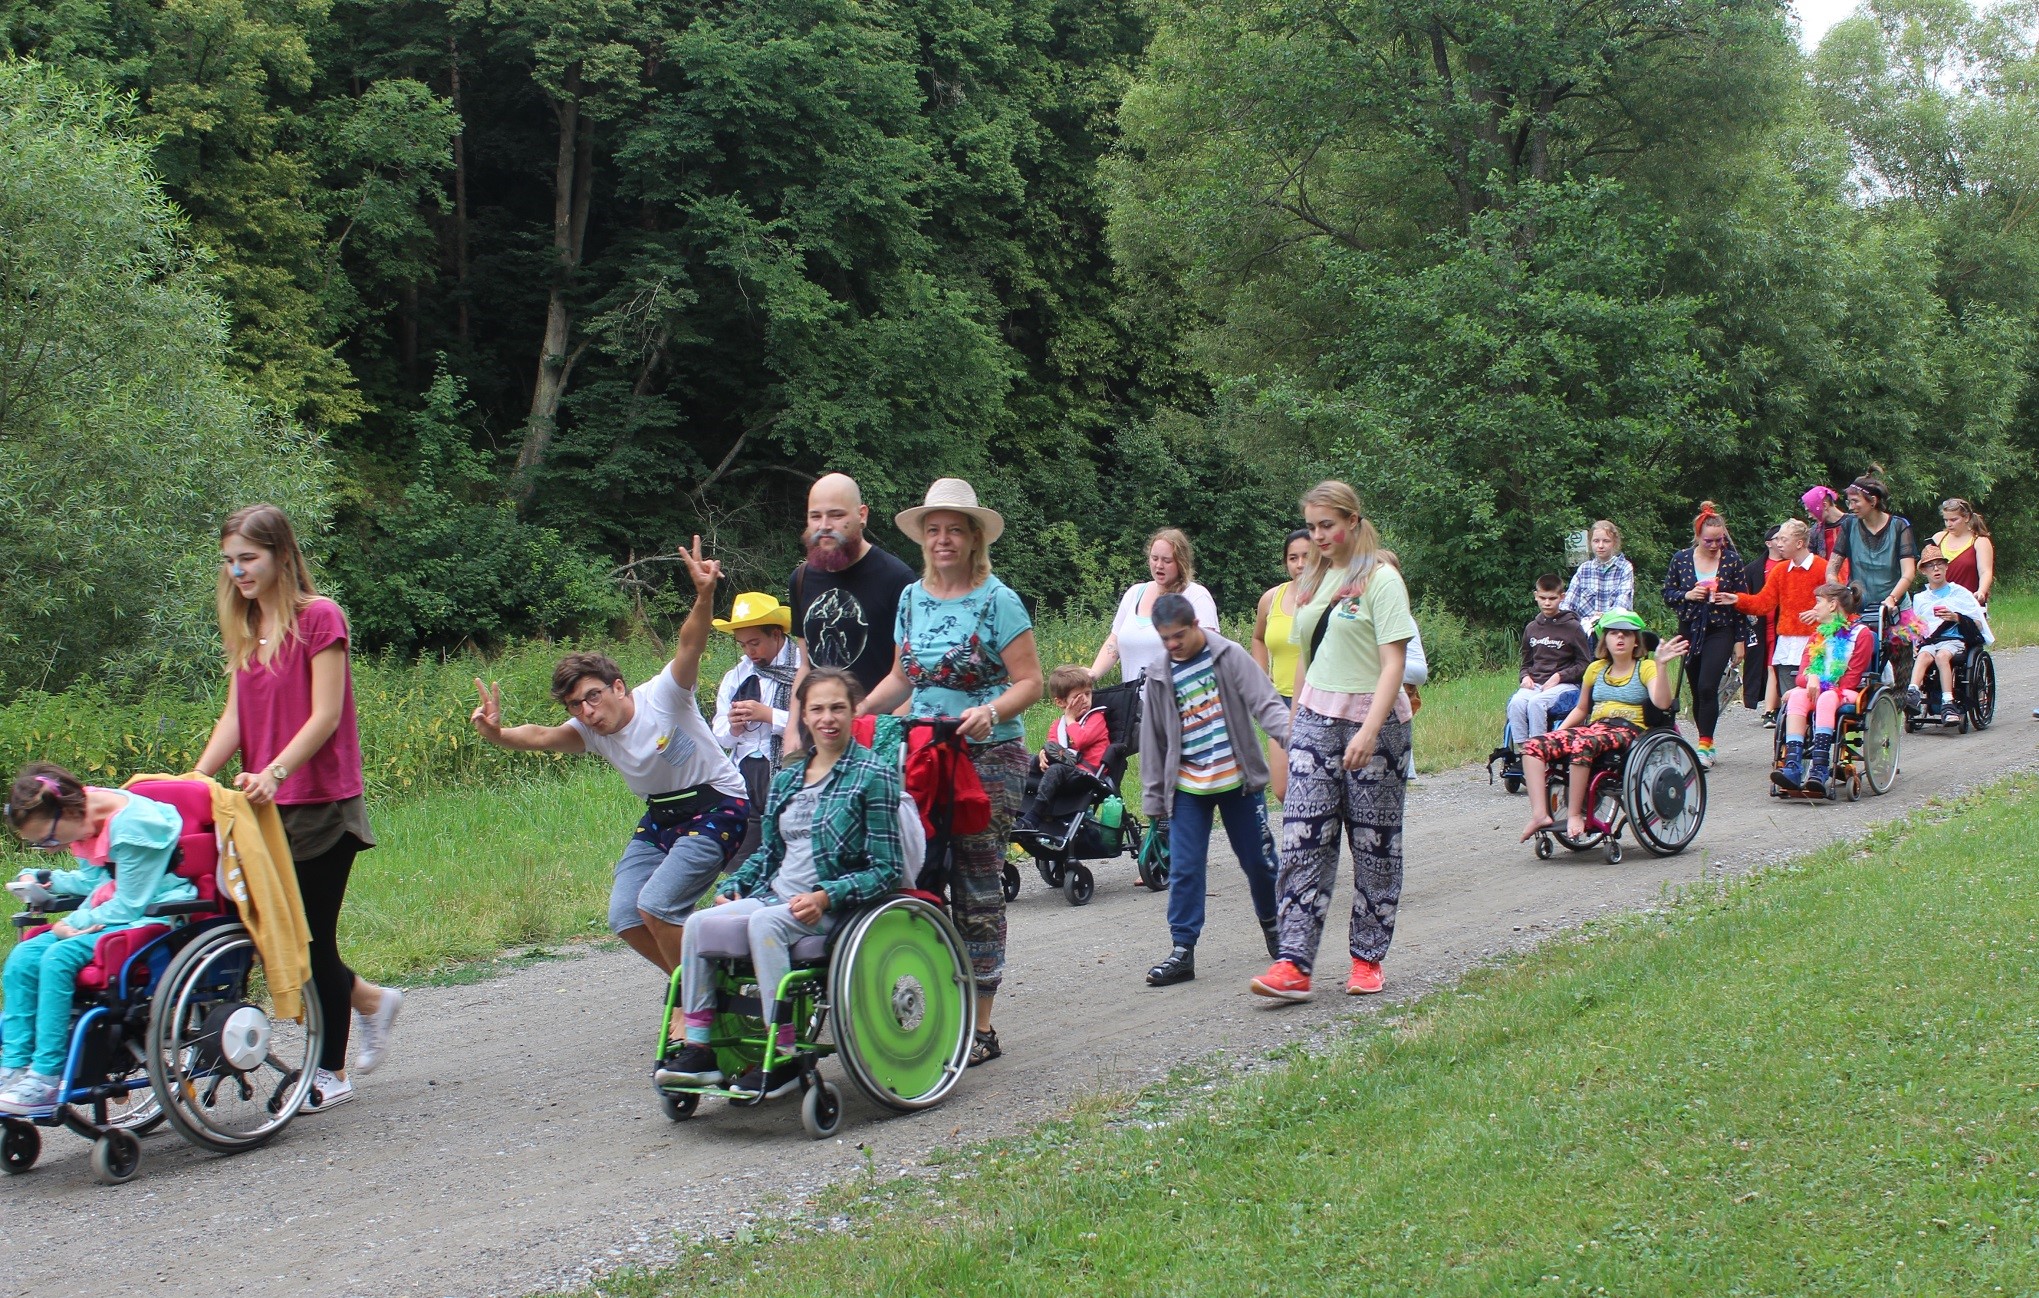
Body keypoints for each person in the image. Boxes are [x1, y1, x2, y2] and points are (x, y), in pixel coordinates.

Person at [193, 504, 400, 1110]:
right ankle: (371, 1001)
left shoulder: (319, 619)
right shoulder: (247, 624)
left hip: (322, 804)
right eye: (230, 561)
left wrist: (277, 770)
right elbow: (236, 716)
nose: (238, 572)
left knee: (310, 942)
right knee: (257, 930)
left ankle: (330, 1072)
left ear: (282, 556)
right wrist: (192, 780)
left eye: (248, 559)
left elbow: (325, 714)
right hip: (263, 806)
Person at [470, 537, 748, 980]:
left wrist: (704, 595)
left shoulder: (665, 696)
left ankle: (692, 1007)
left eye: (592, 697)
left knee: (656, 904)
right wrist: (497, 732)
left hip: (720, 805)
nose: (587, 712)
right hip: (663, 816)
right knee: (626, 915)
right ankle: (700, 988)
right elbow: (540, 737)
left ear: (618, 687)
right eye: (575, 706)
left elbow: (689, 645)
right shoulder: (589, 732)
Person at [860, 479, 1043, 1066]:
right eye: (934, 529)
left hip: (988, 756)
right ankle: (926, 1003)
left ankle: (981, 1026)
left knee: (975, 880)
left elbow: (1031, 682)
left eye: (954, 530)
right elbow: (901, 679)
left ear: (973, 539)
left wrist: (990, 711)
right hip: (922, 752)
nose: (943, 539)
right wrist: (851, 713)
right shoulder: (911, 597)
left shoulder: (998, 600)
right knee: (912, 867)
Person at [658, 668, 905, 1097]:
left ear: (852, 713)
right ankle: (700, 1050)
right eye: (817, 709)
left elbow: (886, 868)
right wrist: (736, 887)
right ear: (803, 717)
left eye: (837, 708)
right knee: (699, 925)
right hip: (775, 898)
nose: (827, 718)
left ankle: (787, 1054)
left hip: (834, 910)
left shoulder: (872, 775)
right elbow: (770, 855)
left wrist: (828, 895)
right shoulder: (788, 777)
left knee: (765, 924)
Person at [1252, 481, 1415, 1003]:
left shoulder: (1381, 579)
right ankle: (1293, 964)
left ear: (1352, 519)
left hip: (1376, 724)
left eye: (1328, 525)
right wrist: (1296, 718)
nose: (1320, 536)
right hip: (1316, 721)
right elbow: (1305, 655)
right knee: (1302, 839)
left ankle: (1367, 959)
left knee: (1374, 843)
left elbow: (1394, 661)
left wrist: (1370, 729)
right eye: (1313, 526)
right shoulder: (1314, 578)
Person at [1, 766, 197, 1113]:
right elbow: (95, 883)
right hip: (112, 915)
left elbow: (129, 903)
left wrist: (70, 924)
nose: (48, 848)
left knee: (56, 958)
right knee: (23, 958)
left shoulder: (135, 827)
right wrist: (48, 880)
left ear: (65, 811)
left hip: (150, 917)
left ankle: (46, 1075)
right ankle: (15, 1065)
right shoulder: (86, 815)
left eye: (47, 839)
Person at [1139, 594, 1291, 988]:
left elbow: (1266, 704)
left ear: (1196, 625)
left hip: (1238, 782)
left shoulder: (1229, 656)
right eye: (1164, 638)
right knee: (1186, 868)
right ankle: (1182, 950)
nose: (1172, 645)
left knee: (1259, 862)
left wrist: (1296, 739)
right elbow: (1152, 740)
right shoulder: (1158, 674)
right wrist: (1154, 800)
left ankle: (1277, 932)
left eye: (1178, 636)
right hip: (1189, 787)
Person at [1518, 612, 1686, 842]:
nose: (1619, 638)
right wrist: (1558, 733)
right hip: (1595, 727)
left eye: (1626, 633)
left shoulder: (1645, 668)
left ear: (1635, 640)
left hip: (1629, 730)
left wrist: (1661, 665)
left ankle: (1575, 815)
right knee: (1533, 746)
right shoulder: (1595, 669)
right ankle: (1539, 814)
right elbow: (1581, 709)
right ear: (1604, 639)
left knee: (1582, 744)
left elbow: (1662, 703)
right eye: (1613, 633)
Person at [788, 472, 918, 697]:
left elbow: (909, 677)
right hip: (818, 729)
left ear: (862, 515)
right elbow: (806, 667)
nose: (825, 526)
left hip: (877, 726)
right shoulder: (800, 579)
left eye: (836, 515)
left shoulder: (898, 579)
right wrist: (793, 729)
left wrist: (887, 730)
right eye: (815, 516)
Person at [710, 592, 799, 864]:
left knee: (789, 850)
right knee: (741, 853)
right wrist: (734, 727)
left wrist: (770, 715)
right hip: (745, 773)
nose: (749, 651)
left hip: (789, 770)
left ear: (775, 634)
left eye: (755, 642)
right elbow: (720, 734)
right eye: (743, 644)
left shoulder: (804, 668)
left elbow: (815, 724)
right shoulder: (736, 676)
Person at [1660, 502, 1748, 770]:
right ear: (1698, 537)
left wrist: (1740, 640)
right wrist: (1688, 595)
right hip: (1690, 629)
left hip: (1720, 629)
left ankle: (1705, 744)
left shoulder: (1732, 560)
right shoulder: (1682, 559)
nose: (1714, 546)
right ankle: (1704, 740)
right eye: (1709, 540)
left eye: (1719, 540)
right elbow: (1668, 593)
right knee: (1697, 689)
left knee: (1708, 686)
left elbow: (1743, 602)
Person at [1772, 584, 1876, 791]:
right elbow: (1801, 675)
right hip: (1819, 690)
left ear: (1832, 605)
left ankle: (1819, 767)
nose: (1815, 606)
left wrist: (1818, 683)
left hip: (1846, 692)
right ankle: (1792, 766)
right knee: (1798, 697)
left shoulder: (1861, 634)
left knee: (1827, 698)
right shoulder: (1817, 636)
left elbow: (1851, 680)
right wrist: (1811, 679)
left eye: (1818, 601)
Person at [1090, 528, 1220, 686]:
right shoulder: (1134, 593)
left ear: (1181, 562)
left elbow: (1207, 655)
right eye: (1154, 558)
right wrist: (1093, 673)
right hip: (1133, 706)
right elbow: (1115, 641)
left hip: (1178, 705)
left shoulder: (1196, 596)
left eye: (1167, 561)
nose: (1159, 565)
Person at [1731, 520, 1822, 728]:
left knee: (1812, 694)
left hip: (1814, 643)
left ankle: (1815, 736)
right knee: (1791, 701)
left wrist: (1817, 611)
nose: (1778, 543)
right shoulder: (1780, 571)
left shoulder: (1821, 568)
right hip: (1787, 643)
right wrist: (1737, 599)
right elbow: (1763, 603)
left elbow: (1836, 601)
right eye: (1777, 539)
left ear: (1799, 543)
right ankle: (1793, 744)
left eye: (1783, 539)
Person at [1251, 528, 1312, 802]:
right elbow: (1258, 638)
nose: (1300, 565)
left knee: (1317, 781)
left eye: (1307, 557)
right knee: (1283, 788)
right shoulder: (1271, 598)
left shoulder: (1332, 597)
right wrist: (1261, 679)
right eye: (1293, 558)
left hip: (1318, 701)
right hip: (1280, 702)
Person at [1825, 473, 1916, 643]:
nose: (1851, 507)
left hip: (1894, 607)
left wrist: (1892, 598)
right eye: (1848, 502)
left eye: (1855, 501)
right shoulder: (1849, 525)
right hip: (1859, 608)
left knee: (1900, 663)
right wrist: (1836, 588)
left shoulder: (1899, 527)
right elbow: (1832, 567)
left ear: (1873, 501)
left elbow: (1908, 572)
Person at [1905, 544, 1993, 722]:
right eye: (1930, 565)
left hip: (1954, 640)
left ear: (1946, 567)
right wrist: (1916, 642)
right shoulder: (1920, 598)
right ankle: (1912, 692)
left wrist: (1956, 618)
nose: (1936, 568)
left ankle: (1948, 702)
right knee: (1923, 656)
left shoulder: (1960, 593)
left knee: (1942, 656)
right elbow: (1917, 626)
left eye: (1939, 564)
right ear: (1923, 570)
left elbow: (1978, 623)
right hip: (1930, 641)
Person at [1505, 574, 1593, 749]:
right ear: (1535, 596)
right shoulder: (1531, 628)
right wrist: (1525, 677)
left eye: (1552, 598)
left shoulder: (1573, 628)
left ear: (1562, 597)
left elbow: (1585, 664)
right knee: (1516, 703)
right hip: (1536, 682)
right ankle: (1523, 749)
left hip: (1564, 685)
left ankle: (1540, 749)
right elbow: (1526, 662)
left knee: (1537, 704)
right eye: (1543, 598)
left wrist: (1560, 676)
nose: (1547, 603)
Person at [1019, 666, 1109, 831]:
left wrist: (1070, 718)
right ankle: (1014, 810)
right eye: (1077, 698)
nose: (1084, 701)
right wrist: (1042, 755)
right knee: (1026, 760)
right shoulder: (1058, 725)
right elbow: (1054, 746)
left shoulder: (1096, 719)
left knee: (1056, 770)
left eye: (1088, 695)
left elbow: (1080, 740)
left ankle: (1034, 816)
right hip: (1064, 769)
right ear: (1061, 702)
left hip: (1085, 774)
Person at [1560, 520, 1635, 627]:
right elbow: (1569, 601)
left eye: (1606, 541)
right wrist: (1565, 618)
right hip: (1584, 629)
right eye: (1596, 541)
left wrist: (1603, 617)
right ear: (1590, 543)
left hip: (1612, 627)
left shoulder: (1624, 568)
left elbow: (1623, 602)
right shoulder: (1584, 569)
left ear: (1614, 543)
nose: (1600, 545)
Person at [1931, 499, 1994, 605]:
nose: (1949, 524)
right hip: (1939, 602)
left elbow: (1985, 571)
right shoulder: (1938, 538)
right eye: (1946, 520)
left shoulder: (1979, 541)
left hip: (1968, 603)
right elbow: (1924, 567)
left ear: (1966, 517)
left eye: (1953, 520)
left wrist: (1981, 591)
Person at [1803, 485, 1848, 563]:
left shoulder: (1855, 523)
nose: (1809, 516)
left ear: (1825, 505)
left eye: (1810, 510)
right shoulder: (1815, 531)